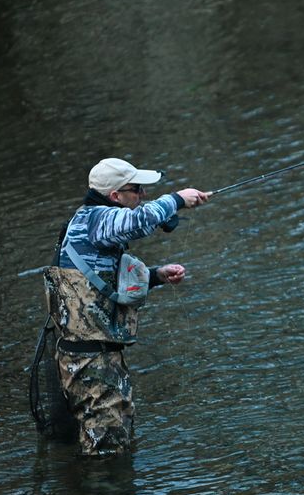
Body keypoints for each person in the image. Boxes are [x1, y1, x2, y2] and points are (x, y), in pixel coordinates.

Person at [43, 157, 210, 456]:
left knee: (112, 442)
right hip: (90, 362)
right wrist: (178, 199)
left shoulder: (90, 224)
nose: (143, 195)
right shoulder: (96, 220)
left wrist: (156, 276)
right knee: (106, 452)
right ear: (115, 196)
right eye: (136, 190)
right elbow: (139, 221)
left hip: (91, 357)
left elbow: (97, 284)